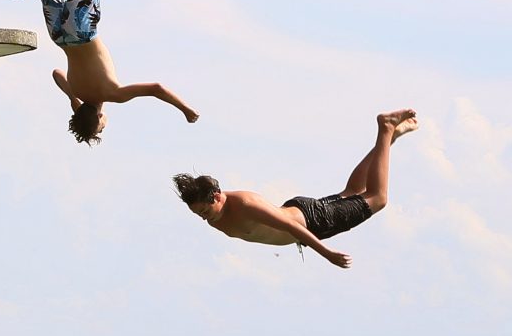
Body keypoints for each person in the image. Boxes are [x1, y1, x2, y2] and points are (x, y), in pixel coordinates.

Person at [174, 110, 417, 270]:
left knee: (377, 198)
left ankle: (385, 129)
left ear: (217, 196)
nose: (204, 217)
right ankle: (388, 139)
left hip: (311, 222)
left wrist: (327, 254)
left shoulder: (244, 204)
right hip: (304, 215)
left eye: (205, 210)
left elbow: (291, 227)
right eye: (199, 214)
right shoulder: (215, 217)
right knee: (353, 190)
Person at [0, 0, 198, 143]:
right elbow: (57, 73)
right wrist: (72, 100)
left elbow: (156, 88)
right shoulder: (76, 91)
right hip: (59, 37)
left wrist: (186, 109)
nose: (105, 125)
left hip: (82, 31)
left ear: (100, 117)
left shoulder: (113, 93)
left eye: (102, 127)